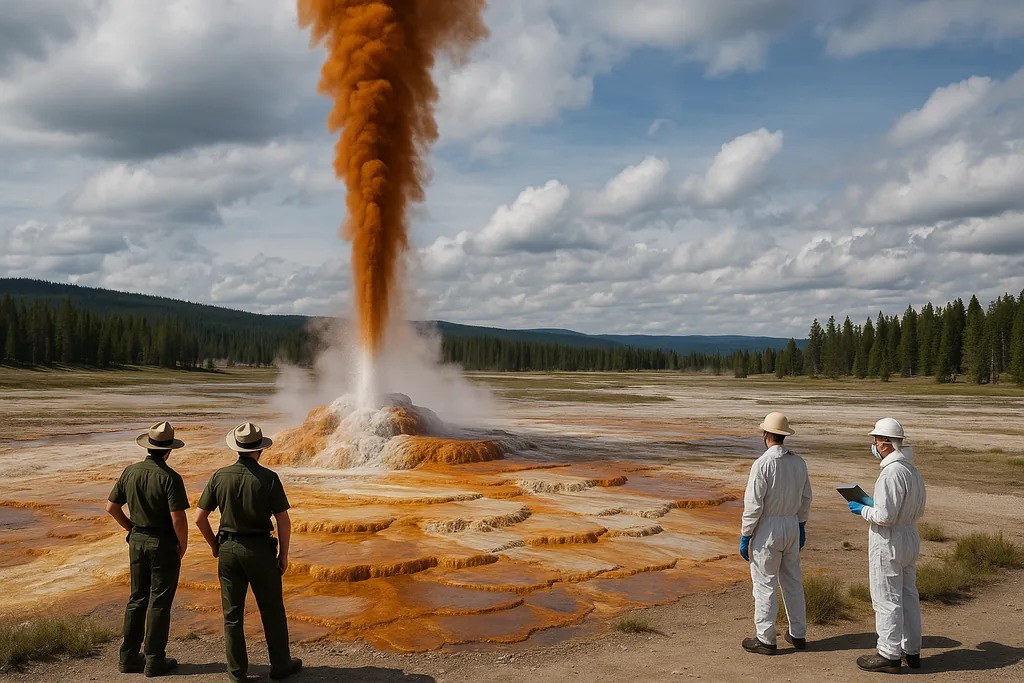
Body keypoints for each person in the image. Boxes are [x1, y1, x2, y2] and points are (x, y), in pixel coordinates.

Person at [194, 422, 302, 683]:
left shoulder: (219, 476)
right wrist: (284, 555)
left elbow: (199, 518)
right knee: (272, 609)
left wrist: (214, 545)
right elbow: (283, 521)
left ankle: (236, 673)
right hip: (260, 551)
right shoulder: (268, 478)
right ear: (260, 450)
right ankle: (280, 666)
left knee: (232, 614)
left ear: (237, 448)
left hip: (229, 550)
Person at [105, 422, 190, 677]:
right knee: (159, 603)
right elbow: (178, 518)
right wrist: (182, 546)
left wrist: (129, 527)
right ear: (169, 450)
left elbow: (111, 507)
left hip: (137, 541)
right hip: (162, 544)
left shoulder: (130, 471)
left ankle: (129, 657)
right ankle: (154, 660)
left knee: (136, 598)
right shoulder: (170, 477)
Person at [848, 418, 927, 673]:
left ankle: (888, 653)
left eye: (875, 440)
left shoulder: (890, 472)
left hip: (889, 539)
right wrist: (874, 504)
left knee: (886, 597)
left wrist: (864, 509)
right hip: (908, 535)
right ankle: (911, 650)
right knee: (907, 595)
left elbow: (884, 516)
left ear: (885, 443)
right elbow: (914, 509)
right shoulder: (911, 470)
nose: (874, 445)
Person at [740, 412, 813, 655]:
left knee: (765, 584)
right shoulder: (798, 462)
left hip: (768, 528)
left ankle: (766, 639)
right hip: (791, 525)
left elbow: (753, 505)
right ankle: (798, 634)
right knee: (792, 581)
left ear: (766, 435)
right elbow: (806, 498)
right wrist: (801, 525)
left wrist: (745, 534)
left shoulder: (762, 464)